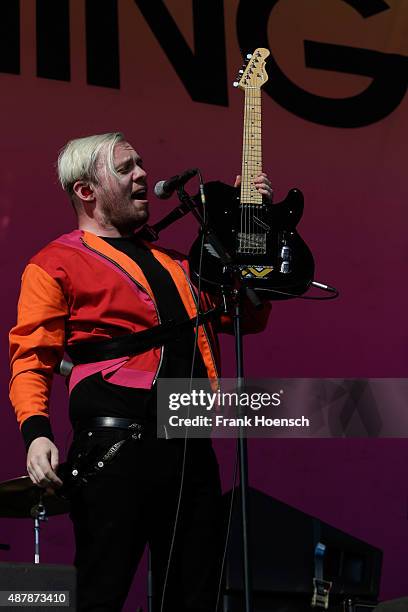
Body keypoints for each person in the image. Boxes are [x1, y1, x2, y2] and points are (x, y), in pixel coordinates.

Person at [9, 132, 273, 611]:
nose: (143, 176)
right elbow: (31, 358)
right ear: (86, 191)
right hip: (116, 447)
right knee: (99, 592)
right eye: (127, 168)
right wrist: (36, 433)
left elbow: (246, 315)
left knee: (194, 596)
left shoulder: (175, 262)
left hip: (190, 442)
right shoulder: (54, 263)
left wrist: (252, 230)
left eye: (142, 165)